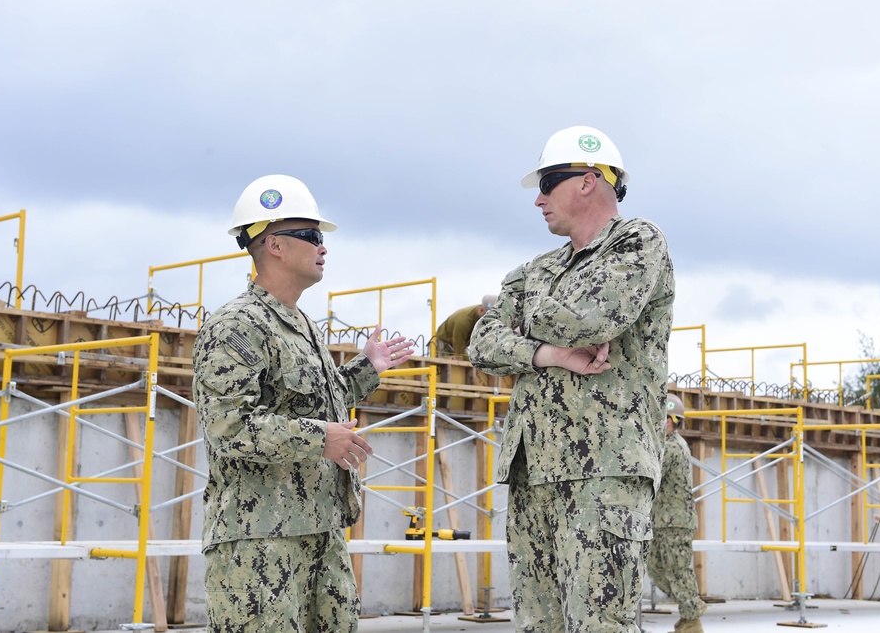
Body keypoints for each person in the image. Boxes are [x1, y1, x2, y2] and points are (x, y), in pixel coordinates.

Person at [469, 125, 675, 631]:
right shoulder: (535, 269)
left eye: (548, 182)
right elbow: (480, 344)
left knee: (600, 623)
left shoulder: (637, 242)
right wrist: (546, 355)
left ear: (588, 180)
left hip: (604, 470)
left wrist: (507, 314)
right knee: (540, 624)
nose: (538, 199)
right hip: (532, 470)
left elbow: (588, 317)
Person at [193, 174, 415, 632]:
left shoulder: (301, 325)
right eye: (311, 236)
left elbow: (315, 405)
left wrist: (365, 369)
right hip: (259, 540)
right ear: (274, 245)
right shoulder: (235, 326)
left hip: (319, 528)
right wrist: (321, 438)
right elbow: (228, 427)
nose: (323, 247)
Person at [648, 393, 707, 633]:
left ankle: (692, 620)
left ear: (674, 421)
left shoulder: (672, 448)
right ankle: (690, 607)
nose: (661, 422)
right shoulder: (663, 445)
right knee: (656, 570)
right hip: (662, 522)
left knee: (679, 572)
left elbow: (651, 473)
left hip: (676, 523)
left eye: (666, 418)